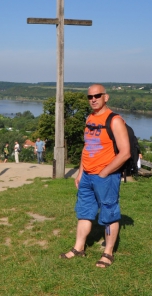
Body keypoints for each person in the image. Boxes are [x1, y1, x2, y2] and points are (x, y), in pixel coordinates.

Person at [60, 84, 130, 268]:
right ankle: (78, 248)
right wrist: (81, 172)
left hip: (105, 176)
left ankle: (108, 253)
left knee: (108, 213)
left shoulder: (114, 120)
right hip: (87, 176)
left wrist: (105, 172)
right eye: (90, 96)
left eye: (97, 96)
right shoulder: (90, 118)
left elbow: (125, 153)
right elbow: (87, 147)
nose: (93, 99)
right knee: (83, 212)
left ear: (105, 97)